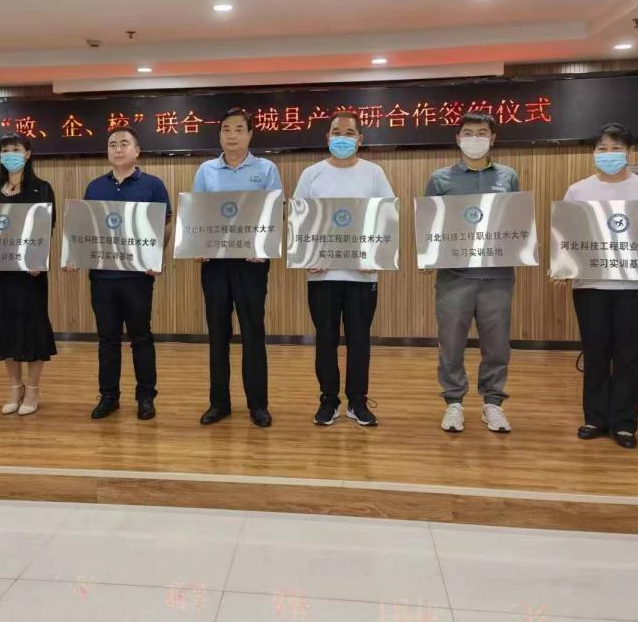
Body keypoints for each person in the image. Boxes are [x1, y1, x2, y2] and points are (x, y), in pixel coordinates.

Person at [560, 123, 638, 449]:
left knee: (629, 355)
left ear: (629, 152)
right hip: (590, 284)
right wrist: (563, 265)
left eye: (616, 148)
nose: (608, 154)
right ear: (593, 153)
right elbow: (568, 235)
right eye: (602, 148)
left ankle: (625, 424)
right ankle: (595, 418)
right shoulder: (578, 190)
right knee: (596, 353)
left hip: (635, 286)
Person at [293, 112, 394, 427]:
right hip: (322, 274)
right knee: (325, 339)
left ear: (360, 139)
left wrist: (374, 256)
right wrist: (307, 254)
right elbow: (298, 219)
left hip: (362, 274)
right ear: (327, 137)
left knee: (359, 339)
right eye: (336, 132)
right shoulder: (312, 174)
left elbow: (387, 217)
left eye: (349, 133)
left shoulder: (374, 173)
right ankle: (328, 400)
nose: (342, 137)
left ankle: (357, 401)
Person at [67, 127, 172, 421]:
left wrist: (156, 256)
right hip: (102, 277)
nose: (118, 148)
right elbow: (86, 229)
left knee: (141, 338)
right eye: (112, 144)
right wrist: (74, 255)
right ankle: (109, 396)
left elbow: (164, 225)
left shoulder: (153, 185)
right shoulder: (95, 187)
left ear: (137, 151)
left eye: (124, 143)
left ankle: (146, 397)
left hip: (138, 278)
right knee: (107, 340)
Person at [425, 112, 518, 434]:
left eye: (482, 132)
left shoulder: (508, 177)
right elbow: (430, 224)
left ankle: (493, 403)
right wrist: (427, 255)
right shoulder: (441, 179)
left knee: (497, 344)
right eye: (468, 132)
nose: (474, 138)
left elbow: (515, 221)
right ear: (458, 138)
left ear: (492, 139)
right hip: (455, 276)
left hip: (497, 276)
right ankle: (453, 403)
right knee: (451, 343)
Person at [192, 107, 282, 427]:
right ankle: (219, 403)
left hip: (251, 263)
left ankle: (258, 405)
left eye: (239, 129)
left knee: (253, 332)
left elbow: (274, 213)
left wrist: (263, 247)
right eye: (226, 129)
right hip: (215, 264)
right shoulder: (206, 170)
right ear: (219, 135)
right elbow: (198, 214)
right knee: (218, 334)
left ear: (250, 134)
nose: (232, 135)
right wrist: (197, 246)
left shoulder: (266, 168)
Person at [0, 133, 57, 416]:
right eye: (5, 150)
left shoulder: (42, 189)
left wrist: (37, 259)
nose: (10, 154)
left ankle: (33, 390)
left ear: (27, 154)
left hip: (29, 273)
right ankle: (15, 388)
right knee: (4, 328)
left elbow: (46, 229)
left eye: (15, 149)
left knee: (31, 328)